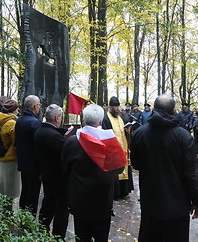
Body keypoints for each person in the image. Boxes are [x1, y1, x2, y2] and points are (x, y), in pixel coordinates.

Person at [130, 95, 198, 242]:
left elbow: (136, 164)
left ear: (154, 109)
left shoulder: (139, 133)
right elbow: (192, 174)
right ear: (173, 111)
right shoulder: (183, 136)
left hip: (151, 203)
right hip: (177, 206)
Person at [62, 104, 126, 242]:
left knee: (81, 236)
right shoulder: (110, 143)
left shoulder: (72, 142)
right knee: (101, 237)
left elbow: (65, 169)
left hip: (79, 200)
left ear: (83, 120)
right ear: (101, 122)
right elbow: (120, 168)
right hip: (102, 201)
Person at [34, 104, 68, 239]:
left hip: (47, 174)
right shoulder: (53, 136)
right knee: (61, 208)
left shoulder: (40, 130)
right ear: (57, 117)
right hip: (58, 176)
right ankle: (58, 236)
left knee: (48, 203)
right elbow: (65, 152)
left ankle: (42, 228)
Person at [15, 95, 42, 213]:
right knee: (33, 194)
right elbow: (38, 146)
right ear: (35, 106)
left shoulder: (19, 120)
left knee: (25, 191)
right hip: (33, 165)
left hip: (23, 162)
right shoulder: (35, 122)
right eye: (39, 105)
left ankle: (22, 216)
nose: (40, 107)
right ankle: (29, 221)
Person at [102, 96, 133, 199]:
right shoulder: (106, 118)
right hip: (113, 150)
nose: (117, 108)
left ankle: (124, 190)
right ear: (110, 107)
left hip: (123, 148)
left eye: (118, 106)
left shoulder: (120, 118)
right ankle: (116, 192)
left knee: (124, 166)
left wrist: (128, 132)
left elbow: (123, 132)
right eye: (115, 106)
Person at [0, 100, 21, 203]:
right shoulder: (12, 123)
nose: (18, 111)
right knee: (10, 188)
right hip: (11, 157)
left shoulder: (1, 120)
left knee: (4, 185)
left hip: (2, 155)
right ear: (14, 110)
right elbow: (16, 141)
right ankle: (7, 213)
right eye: (17, 109)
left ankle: (5, 210)